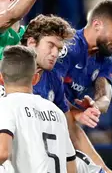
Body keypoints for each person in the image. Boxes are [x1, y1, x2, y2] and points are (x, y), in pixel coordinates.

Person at [19, 14, 109, 173]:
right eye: (51, 45)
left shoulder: (53, 78)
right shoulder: (9, 72)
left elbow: (71, 130)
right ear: (31, 43)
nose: (55, 53)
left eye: (59, 49)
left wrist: (105, 169)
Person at [0, 45, 76, 173]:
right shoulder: (56, 111)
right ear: (36, 78)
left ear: (1, 78)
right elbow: (71, 166)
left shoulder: (5, 105)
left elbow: (2, 152)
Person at [55, 0, 112, 115]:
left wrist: (94, 105)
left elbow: (105, 99)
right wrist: (77, 114)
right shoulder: (69, 46)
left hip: (67, 118)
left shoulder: (106, 62)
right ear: (97, 25)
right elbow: (53, 90)